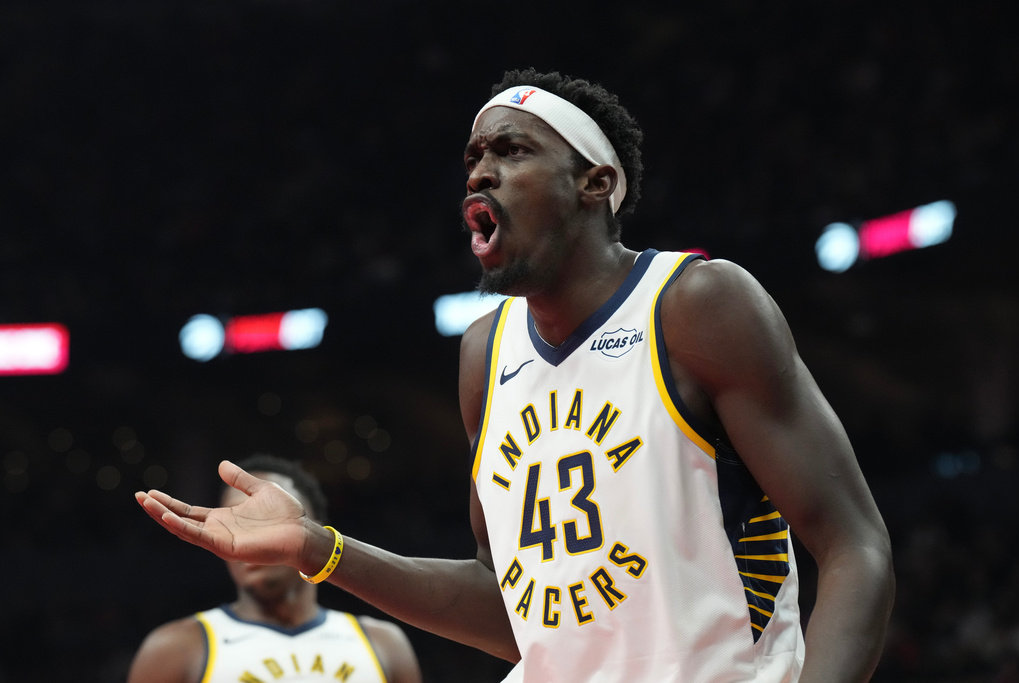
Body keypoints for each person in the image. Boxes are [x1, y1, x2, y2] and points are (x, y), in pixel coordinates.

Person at [137, 68, 895, 682]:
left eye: (511, 151)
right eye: (473, 158)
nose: (481, 173)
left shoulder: (695, 305)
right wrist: (319, 548)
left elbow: (855, 548)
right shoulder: (485, 353)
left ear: (593, 182)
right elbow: (510, 608)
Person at [128, 454, 422, 683]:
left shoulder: (384, 643)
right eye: (235, 523)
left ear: (315, 530)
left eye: (265, 522)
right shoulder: (173, 649)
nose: (251, 542)